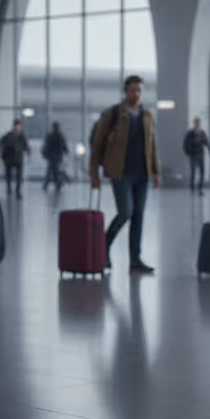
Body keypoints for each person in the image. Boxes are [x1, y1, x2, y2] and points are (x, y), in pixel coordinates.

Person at [91, 75, 161, 274]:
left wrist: (156, 171)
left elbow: (153, 145)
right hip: (120, 172)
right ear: (125, 91)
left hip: (142, 173)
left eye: (139, 90)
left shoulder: (147, 115)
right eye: (133, 90)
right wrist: (94, 173)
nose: (137, 94)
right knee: (126, 212)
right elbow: (97, 145)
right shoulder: (112, 114)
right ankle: (104, 246)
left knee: (138, 217)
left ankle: (135, 260)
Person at [0, 120, 30, 199]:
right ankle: (9, 189)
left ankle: (18, 192)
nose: (18, 127)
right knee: (8, 176)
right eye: (17, 125)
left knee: (19, 177)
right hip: (9, 159)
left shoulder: (22, 136)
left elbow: (26, 146)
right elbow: (0, 142)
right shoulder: (9, 135)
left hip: (18, 159)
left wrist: (27, 152)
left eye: (19, 126)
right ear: (14, 126)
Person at [183, 117, 210, 196]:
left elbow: (206, 141)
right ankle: (192, 188)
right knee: (193, 172)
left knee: (202, 172)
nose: (197, 124)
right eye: (196, 122)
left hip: (201, 155)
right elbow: (186, 144)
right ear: (194, 123)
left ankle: (200, 188)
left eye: (198, 122)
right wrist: (188, 153)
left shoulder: (202, 133)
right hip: (193, 155)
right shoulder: (190, 133)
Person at [42, 122, 69, 192]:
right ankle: (57, 184)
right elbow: (64, 146)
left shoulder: (51, 136)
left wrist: (46, 154)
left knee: (52, 171)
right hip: (57, 157)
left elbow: (47, 146)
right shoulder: (60, 136)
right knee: (55, 171)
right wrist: (66, 151)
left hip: (53, 157)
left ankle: (51, 184)